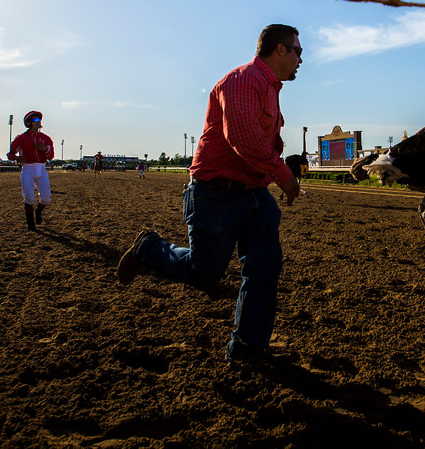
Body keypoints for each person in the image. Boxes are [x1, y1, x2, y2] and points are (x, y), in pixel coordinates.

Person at [116, 24, 303, 362]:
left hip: (254, 195)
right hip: (216, 192)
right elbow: (244, 138)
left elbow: (258, 143)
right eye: (297, 51)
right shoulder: (244, 80)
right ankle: (150, 249)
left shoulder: (270, 87)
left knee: (264, 268)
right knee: (203, 274)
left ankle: (248, 346)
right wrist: (286, 178)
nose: (301, 59)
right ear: (279, 49)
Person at [7, 110, 55, 231]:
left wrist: (44, 149)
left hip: (41, 168)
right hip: (27, 168)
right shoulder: (21, 139)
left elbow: (51, 156)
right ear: (28, 123)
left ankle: (38, 211)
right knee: (29, 197)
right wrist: (17, 158)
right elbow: (10, 154)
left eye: (39, 120)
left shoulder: (46, 139)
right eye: (35, 120)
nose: (38, 122)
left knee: (46, 198)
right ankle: (31, 224)